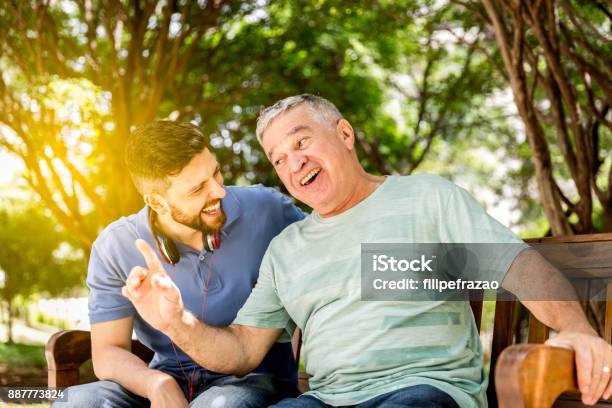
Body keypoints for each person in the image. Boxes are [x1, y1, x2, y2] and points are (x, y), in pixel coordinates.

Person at [122, 95, 612, 407]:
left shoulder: (427, 197)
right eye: (279, 159)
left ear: (344, 134)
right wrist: (174, 323)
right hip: (327, 402)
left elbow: (518, 266)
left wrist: (576, 330)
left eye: (302, 142)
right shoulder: (287, 248)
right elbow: (243, 350)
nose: (294, 164)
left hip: (422, 391)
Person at [56, 121, 304, 408]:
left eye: (215, 173)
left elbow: (332, 236)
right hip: (166, 377)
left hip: (253, 380)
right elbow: (108, 351)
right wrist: (155, 383)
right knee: (79, 401)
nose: (219, 192)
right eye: (198, 189)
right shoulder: (115, 246)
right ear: (157, 203)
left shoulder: (268, 211)